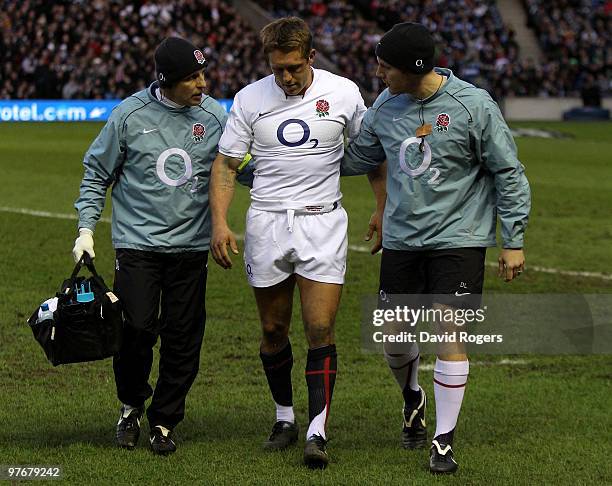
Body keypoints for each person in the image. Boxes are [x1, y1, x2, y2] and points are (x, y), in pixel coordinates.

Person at [341, 23, 531, 474]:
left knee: (449, 331)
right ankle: (412, 397)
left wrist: (513, 241)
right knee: (394, 341)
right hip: (403, 238)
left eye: (386, 66)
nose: (378, 72)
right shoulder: (386, 105)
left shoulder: (472, 105)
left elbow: (508, 172)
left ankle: (443, 440)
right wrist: (287, 159)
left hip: (460, 238)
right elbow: (359, 157)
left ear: (413, 69)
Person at [208, 17, 375, 469]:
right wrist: (220, 223)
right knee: (273, 330)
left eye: (294, 68)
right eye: (278, 68)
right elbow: (225, 164)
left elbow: (371, 153)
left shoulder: (344, 93)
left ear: (312, 58)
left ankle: (317, 430)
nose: (286, 77)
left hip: (322, 223)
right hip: (265, 222)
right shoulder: (248, 98)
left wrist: (381, 208)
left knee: (319, 328)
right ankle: (285, 418)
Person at [72, 37, 228, 455]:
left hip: (191, 249)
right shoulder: (128, 115)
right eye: (192, 78)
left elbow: (233, 169)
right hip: (138, 245)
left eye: (202, 74)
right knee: (136, 329)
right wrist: (85, 229)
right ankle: (130, 405)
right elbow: (95, 174)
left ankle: (164, 420)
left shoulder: (214, 117)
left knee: (184, 337)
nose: (202, 83)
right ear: (166, 80)